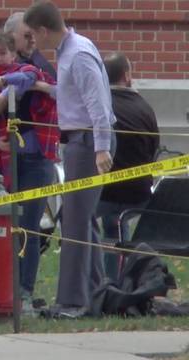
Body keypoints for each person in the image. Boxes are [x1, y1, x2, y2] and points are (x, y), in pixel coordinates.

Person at [24, 1, 116, 317]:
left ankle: (73, 301)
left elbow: (98, 104)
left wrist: (101, 148)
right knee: (83, 220)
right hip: (79, 140)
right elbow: (72, 94)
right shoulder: (70, 50)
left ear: (43, 30)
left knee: (74, 222)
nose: (34, 44)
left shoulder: (77, 55)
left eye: (33, 37)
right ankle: (94, 292)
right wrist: (40, 86)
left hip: (88, 142)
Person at [0, 33, 58, 312]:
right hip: (2, 164)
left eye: (3, 53)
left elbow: (29, 78)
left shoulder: (27, 73)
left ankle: (23, 290)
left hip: (36, 159)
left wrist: (8, 82)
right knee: (2, 228)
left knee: (28, 228)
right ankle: (0, 286)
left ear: (13, 54)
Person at [97, 52, 159, 281]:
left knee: (76, 216)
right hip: (139, 194)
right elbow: (154, 150)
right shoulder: (145, 107)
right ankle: (118, 279)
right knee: (116, 223)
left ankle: (101, 280)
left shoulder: (100, 106)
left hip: (105, 193)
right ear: (127, 75)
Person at [4, 12, 56, 79]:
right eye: (27, 35)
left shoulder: (42, 66)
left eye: (34, 35)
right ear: (10, 36)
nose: (33, 40)